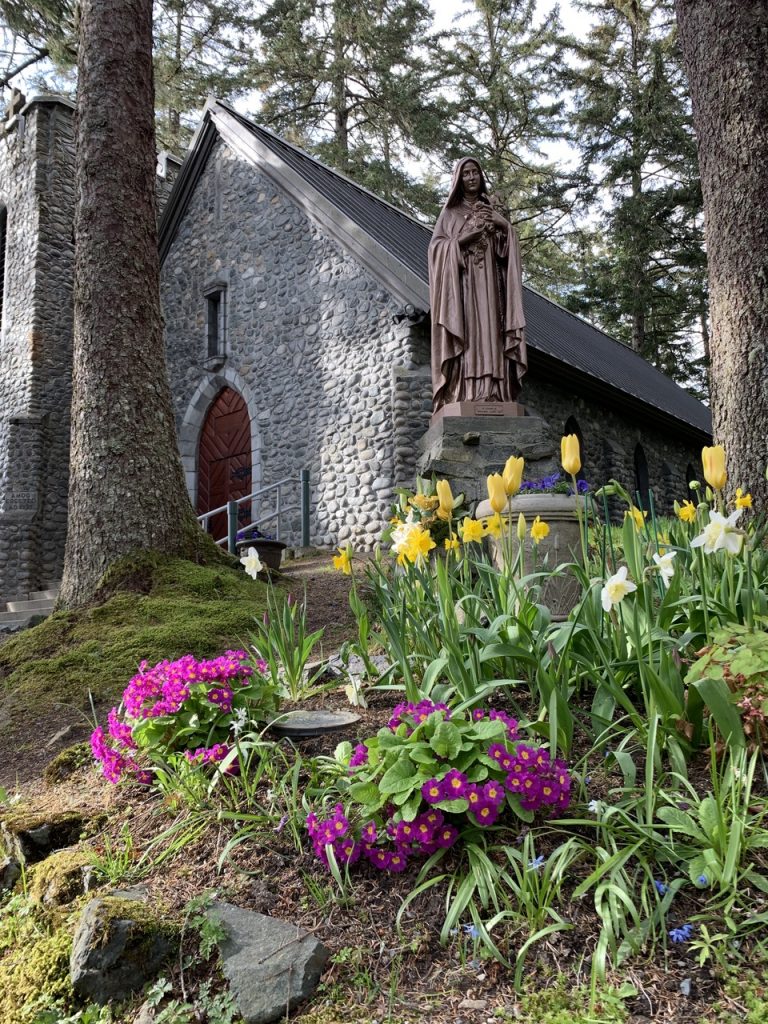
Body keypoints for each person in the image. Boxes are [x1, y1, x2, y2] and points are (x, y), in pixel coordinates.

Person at [428, 157, 527, 412]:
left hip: (492, 286)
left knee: (492, 331)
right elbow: (436, 250)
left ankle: (495, 390)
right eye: (466, 174)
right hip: (463, 287)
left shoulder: (491, 211)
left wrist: (503, 225)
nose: (471, 177)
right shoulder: (450, 214)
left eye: (475, 173)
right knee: (471, 333)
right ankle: (467, 390)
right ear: (458, 180)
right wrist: (462, 240)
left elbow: (507, 254)